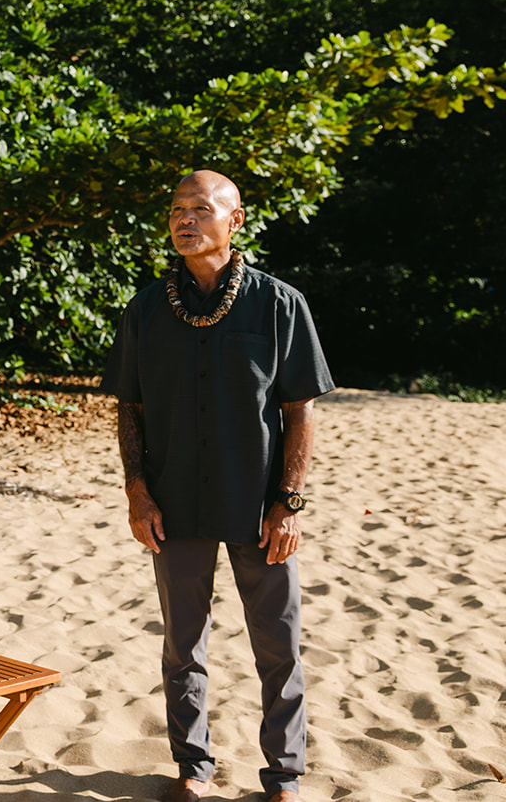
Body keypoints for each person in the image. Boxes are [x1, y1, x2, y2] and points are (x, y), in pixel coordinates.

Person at [103, 170, 334, 802]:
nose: (186, 219)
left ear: (235, 221)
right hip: (173, 503)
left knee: (278, 645)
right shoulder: (145, 309)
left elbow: (300, 410)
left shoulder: (279, 304)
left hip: (258, 504)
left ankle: (284, 775)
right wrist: (137, 492)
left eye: (201, 209)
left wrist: (289, 503)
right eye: (178, 209)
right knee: (183, 645)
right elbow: (130, 408)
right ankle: (193, 767)